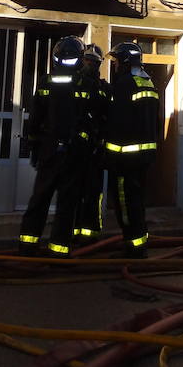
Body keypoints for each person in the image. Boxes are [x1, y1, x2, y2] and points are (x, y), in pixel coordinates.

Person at [19, 35, 93, 257]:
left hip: (48, 150)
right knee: (66, 204)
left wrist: (33, 145)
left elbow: (35, 118)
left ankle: (27, 245)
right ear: (80, 58)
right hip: (73, 152)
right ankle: (59, 251)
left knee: (39, 199)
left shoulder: (45, 82)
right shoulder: (85, 83)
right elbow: (90, 119)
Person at [104, 42, 159, 258]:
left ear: (125, 62)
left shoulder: (124, 84)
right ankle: (140, 243)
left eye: (117, 61)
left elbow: (117, 122)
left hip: (125, 158)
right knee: (137, 200)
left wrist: (108, 154)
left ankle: (133, 247)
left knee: (125, 204)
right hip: (144, 156)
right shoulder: (148, 82)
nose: (115, 65)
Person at [73, 44, 111, 242]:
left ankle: (90, 233)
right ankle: (72, 230)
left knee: (93, 192)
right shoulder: (73, 83)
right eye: (88, 60)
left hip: (95, 150)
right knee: (73, 191)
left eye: (94, 62)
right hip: (75, 148)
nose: (91, 65)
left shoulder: (104, 87)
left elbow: (108, 116)